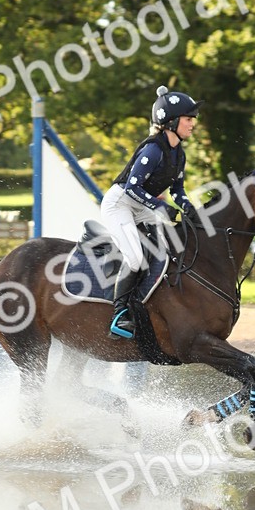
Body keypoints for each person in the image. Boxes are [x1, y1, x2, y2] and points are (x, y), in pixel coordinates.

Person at [101, 85, 202, 339]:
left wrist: (188, 208)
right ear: (171, 122)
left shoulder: (179, 154)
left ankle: (150, 305)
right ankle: (119, 315)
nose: (193, 124)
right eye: (189, 119)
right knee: (135, 258)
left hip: (141, 204)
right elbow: (132, 188)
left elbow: (177, 190)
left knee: (166, 249)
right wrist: (160, 207)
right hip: (120, 203)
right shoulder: (153, 150)